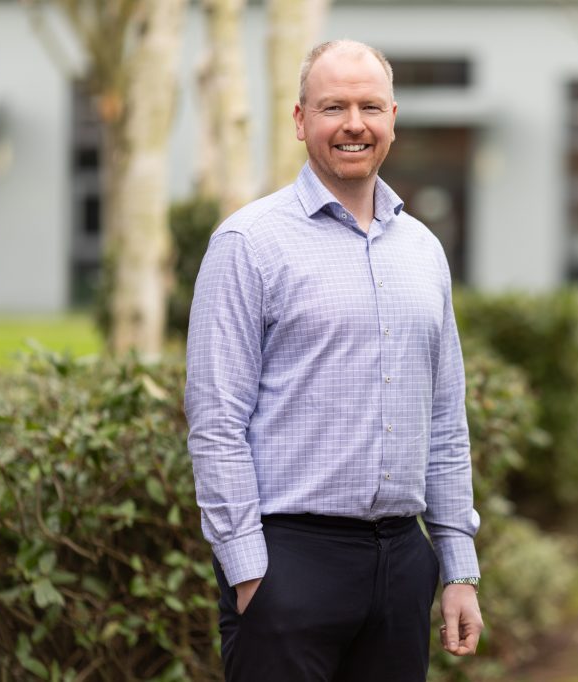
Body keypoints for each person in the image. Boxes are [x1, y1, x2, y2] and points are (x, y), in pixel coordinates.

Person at [185, 39, 483, 681]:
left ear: (393, 118)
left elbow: (445, 424)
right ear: (299, 120)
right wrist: (249, 572)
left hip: (403, 563)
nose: (354, 123)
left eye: (370, 106)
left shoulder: (424, 251)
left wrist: (456, 565)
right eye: (333, 107)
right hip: (287, 562)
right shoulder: (247, 244)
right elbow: (216, 425)